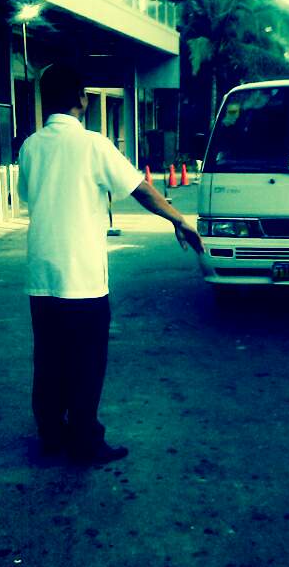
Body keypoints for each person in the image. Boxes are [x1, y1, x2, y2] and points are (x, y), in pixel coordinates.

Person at [18, 62, 203, 466]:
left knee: (48, 357)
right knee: (86, 361)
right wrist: (180, 220)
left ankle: (51, 433)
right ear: (82, 98)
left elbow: (27, 195)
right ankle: (85, 442)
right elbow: (141, 189)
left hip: (42, 274)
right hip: (81, 275)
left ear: (46, 100)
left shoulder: (31, 146)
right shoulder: (94, 145)